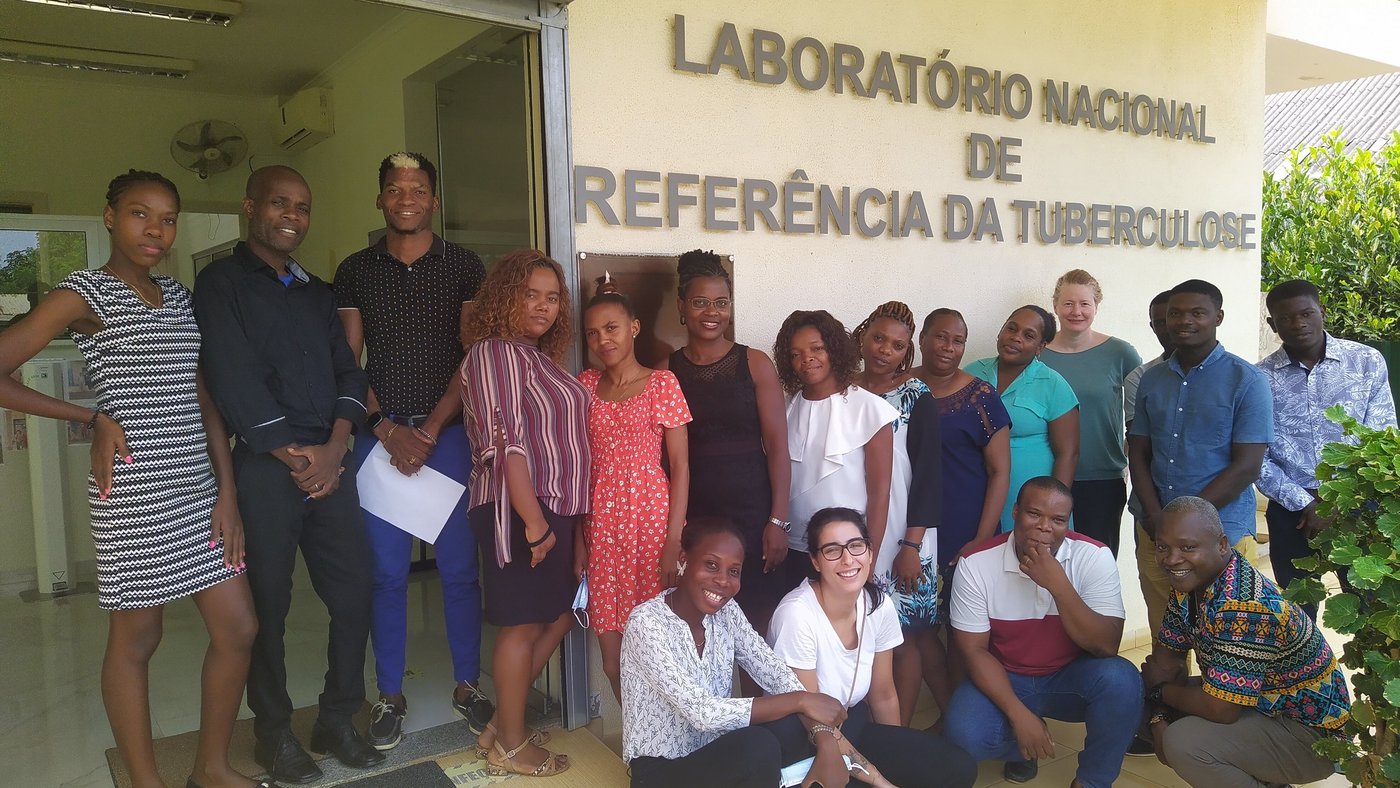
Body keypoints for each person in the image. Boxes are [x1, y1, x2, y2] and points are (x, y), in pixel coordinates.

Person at [0, 171, 268, 788]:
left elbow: (201, 394)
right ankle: (147, 782)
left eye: (168, 218)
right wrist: (91, 415)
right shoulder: (84, 294)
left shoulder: (177, 294)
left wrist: (226, 491)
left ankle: (211, 766)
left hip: (198, 485)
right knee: (137, 636)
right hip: (132, 490)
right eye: (140, 214)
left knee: (238, 628)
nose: (156, 229)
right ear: (109, 218)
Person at [196, 165, 381, 783]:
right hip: (265, 471)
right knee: (268, 606)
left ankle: (336, 718)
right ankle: (272, 734)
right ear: (251, 206)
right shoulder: (221, 284)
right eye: (280, 204)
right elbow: (230, 378)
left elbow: (349, 374)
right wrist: (291, 454)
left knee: (355, 591)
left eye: (302, 207)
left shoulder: (317, 292)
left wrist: (334, 446)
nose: (292, 217)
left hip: (330, 464)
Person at [334, 151, 493, 750]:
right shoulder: (355, 269)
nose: (407, 198)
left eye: (418, 188)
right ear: (380, 198)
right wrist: (383, 426)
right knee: (386, 576)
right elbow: (348, 359)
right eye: (395, 188)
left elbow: (473, 355)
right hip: (380, 442)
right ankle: (390, 696)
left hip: (446, 440)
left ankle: (467, 687)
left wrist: (428, 429)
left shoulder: (462, 265)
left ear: (433, 199)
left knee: (458, 572)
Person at [458, 249, 587, 778]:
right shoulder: (495, 354)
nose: (542, 306)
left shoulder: (535, 358)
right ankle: (510, 745)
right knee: (520, 625)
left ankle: (499, 728)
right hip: (519, 508)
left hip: (550, 508)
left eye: (551, 297)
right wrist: (533, 521)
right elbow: (504, 440)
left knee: (556, 616)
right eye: (529, 294)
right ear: (505, 298)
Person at [620, 517, 868, 788]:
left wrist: (825, 739)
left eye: (734, 571)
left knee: (810, 723)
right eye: (711, 565)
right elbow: (702, 712)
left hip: (716, 756)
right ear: (683, 559)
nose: (722, 581)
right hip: (662, 773)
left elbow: (773, 672)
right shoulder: (646, 622)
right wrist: (801, 700)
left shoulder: (726, 612)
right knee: (757, 745)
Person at [945, 477, 1142, 787]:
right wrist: (1019, 716)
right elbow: (973, 651)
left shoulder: (1094, 556)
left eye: (1058, 520)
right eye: (1034, 514)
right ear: (1015, 512)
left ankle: (1092, 781)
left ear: (1068, 523)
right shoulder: (976, 563)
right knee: (965, 732)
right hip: (1007, 675)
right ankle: (1023, 749)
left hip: (1070, 676)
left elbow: (1106, 646)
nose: (1044, 527)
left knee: (1123, 682)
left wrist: (1057, 585)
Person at [1142, 496, 1351, 787]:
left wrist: (1160, 695)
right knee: (1130, 695)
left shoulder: (1245, 605)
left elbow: (1220, 710)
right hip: (1262, 703)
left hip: (1312, 736)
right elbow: (1164, 663)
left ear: (1222, 545)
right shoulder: (1189, 586)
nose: (1172, 559)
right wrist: (1158, 712)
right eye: (1163, 547)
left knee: (1183, 742)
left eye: (1188, 547)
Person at [768, 507, 978, 788]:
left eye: (856, 546)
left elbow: (883, 694)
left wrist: (897, 756)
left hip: (852, 724)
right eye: (832, 550)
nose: (847, 559)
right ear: (816, 561)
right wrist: (880, 779)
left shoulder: (878, 605)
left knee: (958, 768)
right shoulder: (796, 615)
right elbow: (811, 717)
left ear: (869, 552)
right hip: (807, 739)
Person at [661, 249, 791, 634]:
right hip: (696, 515)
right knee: (699, 626)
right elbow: (664, 461)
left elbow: (779, 447)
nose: (711, 312)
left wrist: (778, 520)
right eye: (700, 302)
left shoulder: (754, 363)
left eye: (721, 303)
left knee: (756, 628)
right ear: (682, 306)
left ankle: (759, 699)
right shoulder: (665, 372)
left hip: (754, 514)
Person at [1257, 279, 1396, 617]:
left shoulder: (1366, 361)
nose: (1298, 324)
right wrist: (1305, 503)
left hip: (1359, 507)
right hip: (1291, 512)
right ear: (1272, 324)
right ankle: (1309, 671)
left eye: (1306, 313)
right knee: (1297, 615)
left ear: (1323, 312)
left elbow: (1383, 435)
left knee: (1367, 610)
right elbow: (1255, 457)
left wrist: (1338, 500)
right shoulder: (1257, 378)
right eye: (1286, 318)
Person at [579, 289, 692, 702]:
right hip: (602, 531)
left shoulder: (662, 384)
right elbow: (578, 465)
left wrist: (674, 540)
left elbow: (680, 467)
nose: (603, 340)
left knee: (660, 654)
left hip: (649, 527)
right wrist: (579, 541)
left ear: (634, 328)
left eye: (611, 328)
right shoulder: (585, 386)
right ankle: (641, 749)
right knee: (613, 661)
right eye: (592, 333)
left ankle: (669, 750)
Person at [909, 307, 1012, 725]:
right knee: (919, 628)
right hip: (914, 529)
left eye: (958, 341)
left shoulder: (980, 396)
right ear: (922, 339)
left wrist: (981, 540)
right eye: (940, 337)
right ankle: (950, 712)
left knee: (964, 629)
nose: (949, 348)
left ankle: (965, 720)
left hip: (968, 528)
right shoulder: (902, 385)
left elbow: (999, 470)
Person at [1127, 279, 1273, 560]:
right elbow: (1139, 452)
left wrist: (1183, 519)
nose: (1184, 321)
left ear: (1218, 317)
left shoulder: (1248, 381)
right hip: (1154, 528)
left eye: (1197, 313)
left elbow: (1248, 466)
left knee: (1226, 606)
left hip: (1221, 529)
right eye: (1175, 313)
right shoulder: (1151, 380)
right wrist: (1156, 515)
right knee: (1160, 606)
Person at [850, 302, 946, 725]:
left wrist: (911, 544)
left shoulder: (915, 395)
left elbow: (928, 475)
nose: (884, 350)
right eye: (878, 338)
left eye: (896, 345)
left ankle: (897, 735)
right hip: (854, 528)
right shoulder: (843, 389)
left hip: (905, 534)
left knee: (904, 635)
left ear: (907, 353)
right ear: (863, 335)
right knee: (861, 630)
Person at [776, 310, 896, 590]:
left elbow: (880, 492)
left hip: (846, 550)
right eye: (796, 354)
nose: (807, 359)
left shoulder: (870, 409)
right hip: (794, 545)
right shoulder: (786, 408)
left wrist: (870, 556)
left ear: (834, 349)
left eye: (817, 348)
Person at [1042, 270, 1142, 556]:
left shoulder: (1120, 353)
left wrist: (1131, 447)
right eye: (1069, 303)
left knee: (1098, 561)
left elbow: (1143, 407)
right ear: (1056, 306)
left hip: (1102, 477)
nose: (1076, 311)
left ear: (1096, 306)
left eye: (1085, 304)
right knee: (1048, 562)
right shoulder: (1038, 354)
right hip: (1047, 475)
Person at [966, 305, 1080, 531]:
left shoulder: (1053, 384)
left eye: (1028, 336)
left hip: (1030, 503)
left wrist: (1053, 509)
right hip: (973, 490)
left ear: (1041, 347)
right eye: (1011, 329)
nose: (1015, 338)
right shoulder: (972, 373)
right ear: (1001, 331)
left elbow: (1068, 453)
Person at [1125, 290, 1174, 647]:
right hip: (1152, 515)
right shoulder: (1141, 379)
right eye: (1159, 322)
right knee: (1163, 620)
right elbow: (1138, 451)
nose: (1169, 328)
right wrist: (1155, 516)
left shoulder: (1240, 377)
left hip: (1218, 519)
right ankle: (1170, 697)